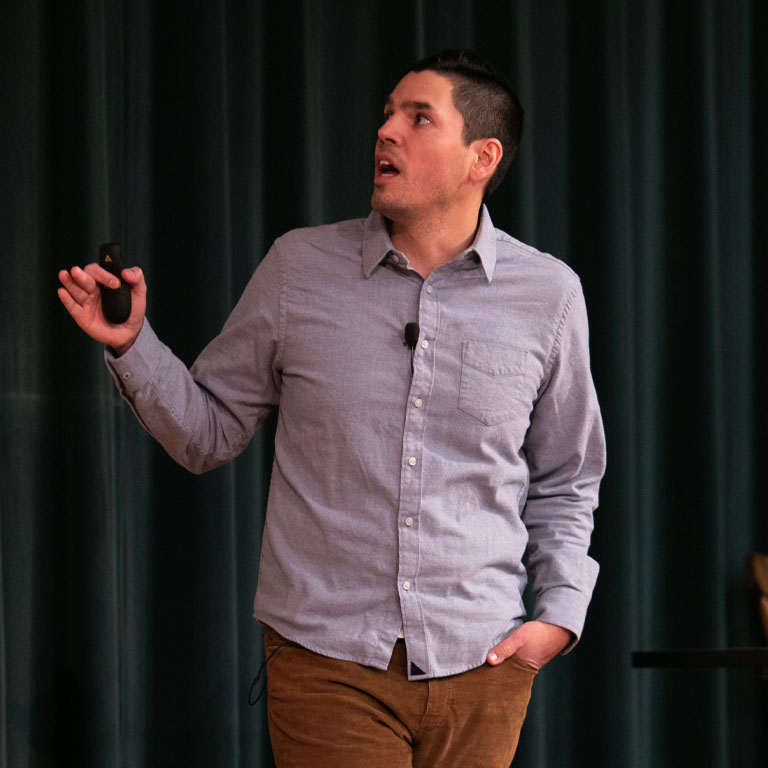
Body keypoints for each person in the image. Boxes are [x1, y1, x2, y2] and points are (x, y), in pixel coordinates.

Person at [58, 50, 605, 768]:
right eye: (386, 115)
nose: (386, 133)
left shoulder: (550, 295)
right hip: (327, 657)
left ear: (482, 157)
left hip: (484, 665)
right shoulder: (299, 268)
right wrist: (134, 346)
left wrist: (558, 618)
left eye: (418, 118)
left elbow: (566, 479)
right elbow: (208, 431)